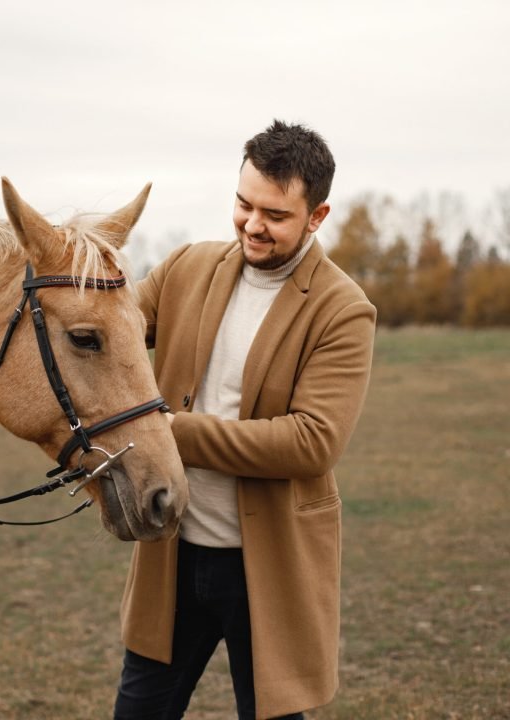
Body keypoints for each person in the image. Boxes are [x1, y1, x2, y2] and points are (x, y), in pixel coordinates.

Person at [113, 120, 376, 720]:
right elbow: (111, 335)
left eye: (276, 215)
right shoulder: (185, 266)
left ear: (318, 215)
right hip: (172, 554)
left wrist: (170, 433)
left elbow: (312, 444)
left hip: (269, 567)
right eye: (242, 204)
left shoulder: (344, 310)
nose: (252, 225)